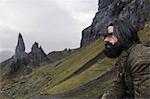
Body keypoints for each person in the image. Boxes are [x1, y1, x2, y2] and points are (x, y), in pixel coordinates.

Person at [101, 19, 150, 99]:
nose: (106, 40)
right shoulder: (125, 57)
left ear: (124, 35)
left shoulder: (139, 59)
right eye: (105, 36)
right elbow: (119, 87)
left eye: (110, 35)